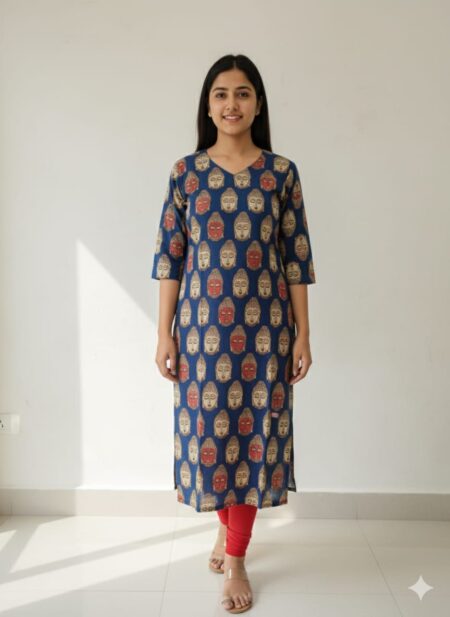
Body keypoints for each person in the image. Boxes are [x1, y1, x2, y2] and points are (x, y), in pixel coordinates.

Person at [151, 53, 317, 613]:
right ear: (207, 105)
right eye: (221, 94)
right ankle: (226, 528)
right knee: (212, 438)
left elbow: (296, 259)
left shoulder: (281, 173)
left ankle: (238, 556)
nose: (231, 104)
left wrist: (303, 334)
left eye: (243, 93)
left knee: (251, 439)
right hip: (201, 334)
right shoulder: (186, 173)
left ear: (258, 104)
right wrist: (164, 333)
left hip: (265, 331)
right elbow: (170, 258)